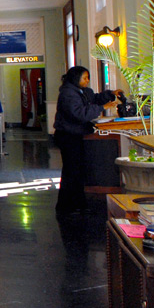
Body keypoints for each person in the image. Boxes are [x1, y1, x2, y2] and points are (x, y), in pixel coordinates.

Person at [53, 65, 118, 214]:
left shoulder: (80, 91)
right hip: (68, 136)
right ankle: (69, 205)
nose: (87, 81)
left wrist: (110, 94)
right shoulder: (68, 94)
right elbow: (79, 114)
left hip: (74, 135)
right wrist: (102, 107)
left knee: (76, 170)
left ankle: (74, 204)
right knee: (72, 171)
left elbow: (94, 97)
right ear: (76, 78)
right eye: (85, 78)